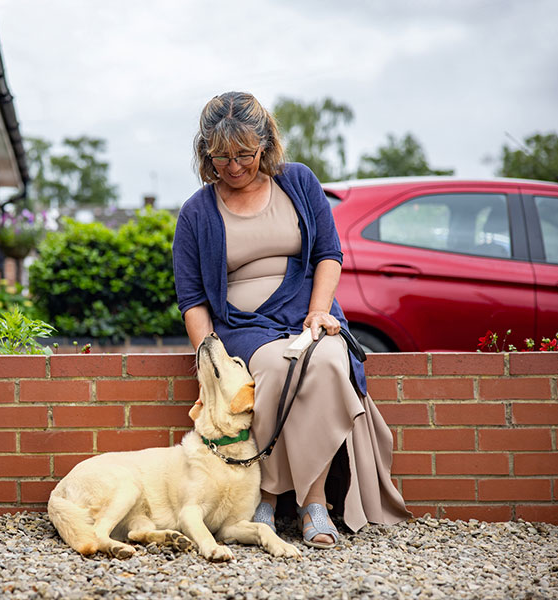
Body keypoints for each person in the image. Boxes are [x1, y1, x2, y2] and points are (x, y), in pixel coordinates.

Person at [172, 91, 411, 548]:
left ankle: (309, 502)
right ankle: (272, 496)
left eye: (244, 153)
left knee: (324, 364)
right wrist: (211, 359)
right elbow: (193, 299)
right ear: (206, 153)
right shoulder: (196, 212)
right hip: (243, 328)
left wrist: (319, 311)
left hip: (308, 313)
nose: (234, 165)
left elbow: (328, 253)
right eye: (221, 156)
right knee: (278, 368)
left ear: (264, 144)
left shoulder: (298, 182)